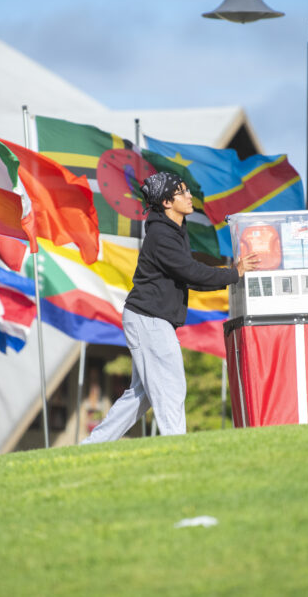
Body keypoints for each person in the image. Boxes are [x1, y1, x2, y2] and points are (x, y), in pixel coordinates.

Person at [82, 171, 260, 443]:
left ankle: (92, 446)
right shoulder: (162, 235)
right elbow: (191, 272)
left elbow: (188, 277)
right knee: (171, 385)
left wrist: (229, 276)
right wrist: (234, 273)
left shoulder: (173, 230)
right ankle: (176, 448)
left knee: (140, 396)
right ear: (166, 202)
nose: (189, 196)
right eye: (182, 192)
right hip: (149, 319)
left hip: (147, 319)